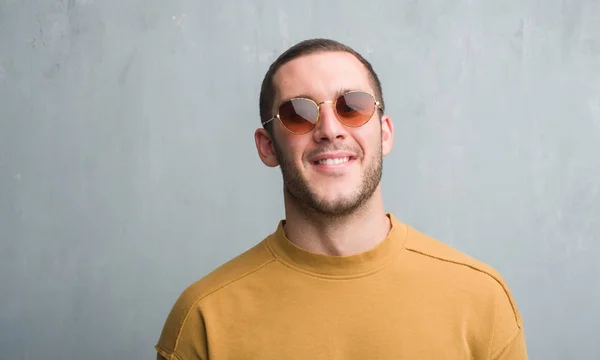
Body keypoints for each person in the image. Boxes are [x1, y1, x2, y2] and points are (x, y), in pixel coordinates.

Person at [155, 38, 528, 360]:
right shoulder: (204, 317)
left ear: (384, 134)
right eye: (298, 113)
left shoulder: (480, 299)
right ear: (267, 147)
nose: (329, 130)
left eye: (352, 106)